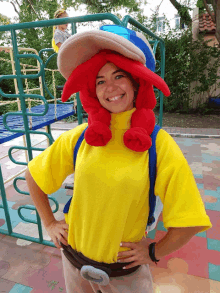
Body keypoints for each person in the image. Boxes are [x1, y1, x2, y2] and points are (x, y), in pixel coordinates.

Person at [26, 25, 212, 293]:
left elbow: (190, 220)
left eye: (119, 75)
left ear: (137, 81)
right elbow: (33, 175)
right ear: (92, 89)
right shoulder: (81, 137)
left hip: (125, 277)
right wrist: (50, 223)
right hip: (73, 265)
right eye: (100, 80)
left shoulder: (157, 144)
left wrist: (155, 252)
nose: (109, 87)